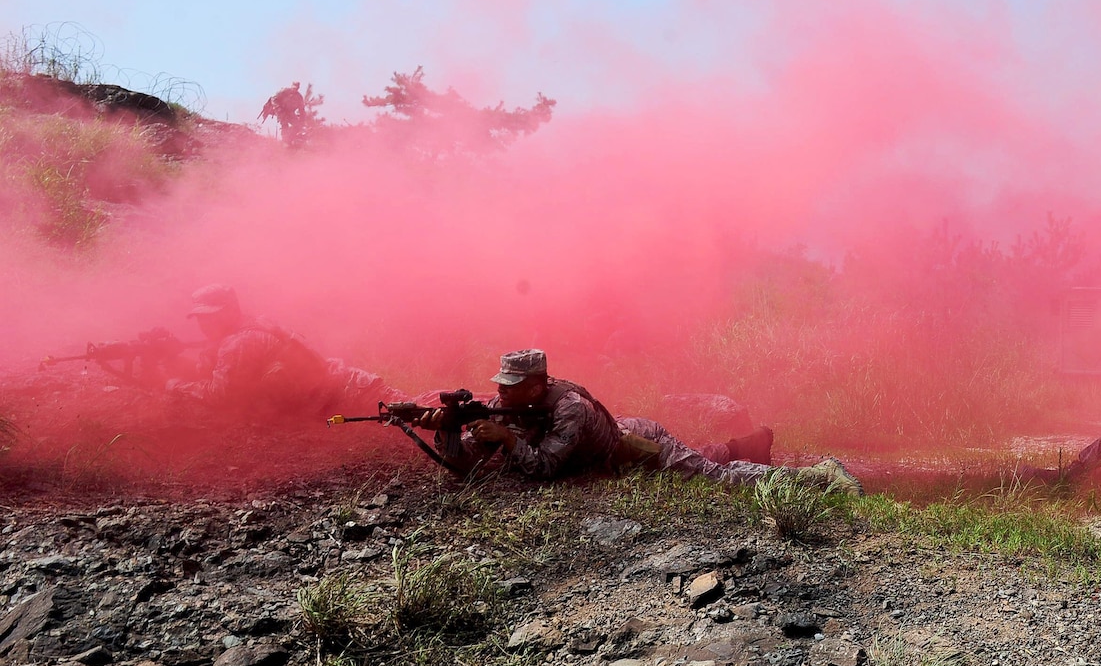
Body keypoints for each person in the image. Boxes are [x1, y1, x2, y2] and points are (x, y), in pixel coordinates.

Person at [419, 349, 855, 491]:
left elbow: (545, 469)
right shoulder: (514, 403)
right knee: (703, 460)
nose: (501, 392)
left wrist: (509, 442)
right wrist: (447, 430)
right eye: (501, 384)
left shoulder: (571, 407)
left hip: (638, 446)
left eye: (511, 385)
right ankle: (747, 444)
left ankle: (819, 476)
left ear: (537, 384)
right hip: (610, 448)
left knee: (712, 477)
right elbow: (470, 468)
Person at [163, 285, 391, 421]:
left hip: (350, 393)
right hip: (347, 388)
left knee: (420, 414)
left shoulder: (238, 342)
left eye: (211, 315)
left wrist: (176, 385)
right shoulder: (251, 326)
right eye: (201, 317)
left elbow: (221, 395)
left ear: (230, 310)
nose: (205, 323)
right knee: (417, 414)